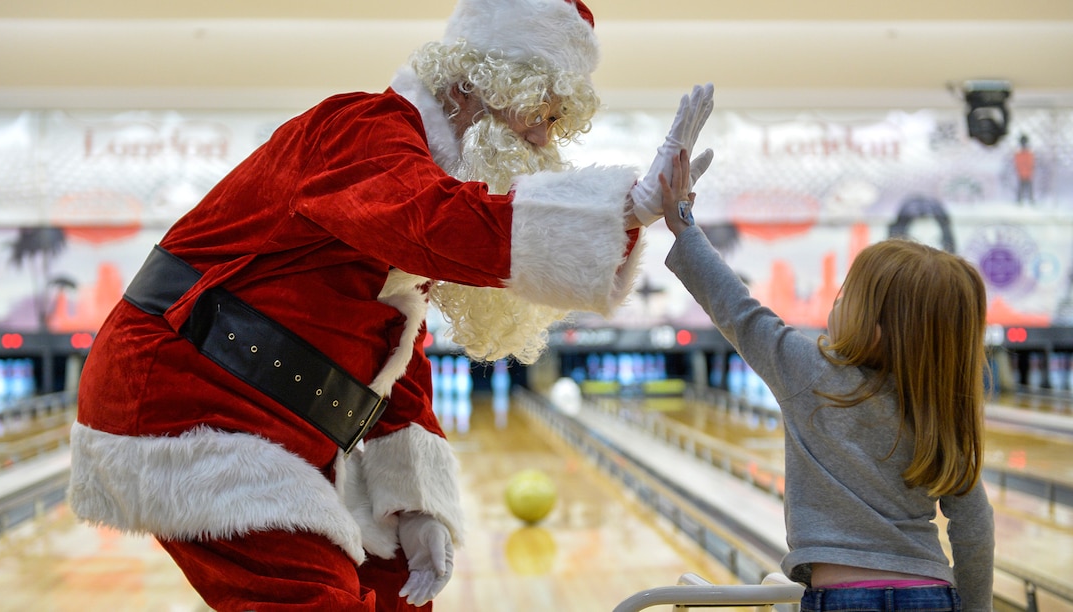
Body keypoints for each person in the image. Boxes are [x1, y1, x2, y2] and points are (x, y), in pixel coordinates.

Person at [66, 0, 714, 610]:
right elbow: (435, 223)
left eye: (554, 122)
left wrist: (413, 504)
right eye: (537, 113)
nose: (544, 141)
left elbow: (395, 349)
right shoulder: (357, 130)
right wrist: (624, 210)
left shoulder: (424, 171)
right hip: (186, 404)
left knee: (396, 584)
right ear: (473, 86)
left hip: (280, 419)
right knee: (307, 593)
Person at [656, 150, 995, 611]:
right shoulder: (942, 407)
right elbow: (974, 526)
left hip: (843, 598)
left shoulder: (809, 371)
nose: (834, 304)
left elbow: (736, 308)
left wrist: (682, 223)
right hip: (931, 594)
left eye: (846, 296)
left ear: (875, 324)